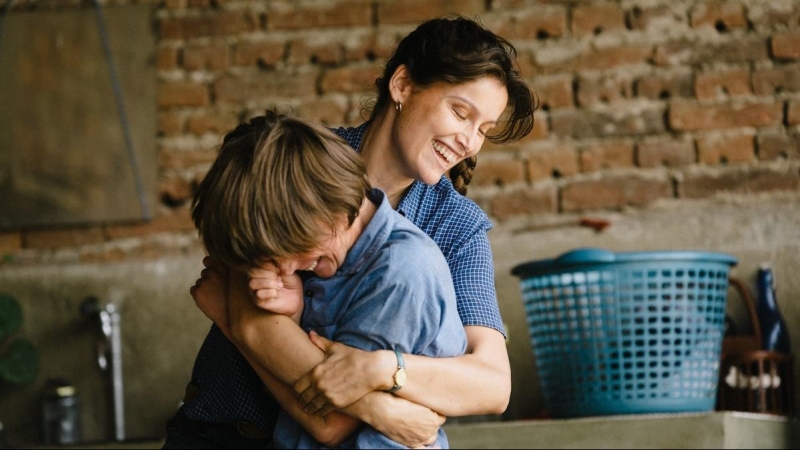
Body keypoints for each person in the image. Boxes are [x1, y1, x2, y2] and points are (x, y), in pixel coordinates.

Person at [163, 13, 537, 449]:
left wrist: (382, 370)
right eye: (460, 112)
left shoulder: (455, 228)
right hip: (223, 436)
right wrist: (384, 408)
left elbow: (492, 384)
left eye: (483, 130)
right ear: (403, 86)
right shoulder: (296, 160)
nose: (470, 142)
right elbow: (251, 318)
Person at [184, 110, 466, 448]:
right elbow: (314, 377)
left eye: (283, 253)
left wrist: (233, 319)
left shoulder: (398, 274)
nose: (285, 269)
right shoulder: (329, 253)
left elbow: (329, 423)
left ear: (326, 215)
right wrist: (294, 313)